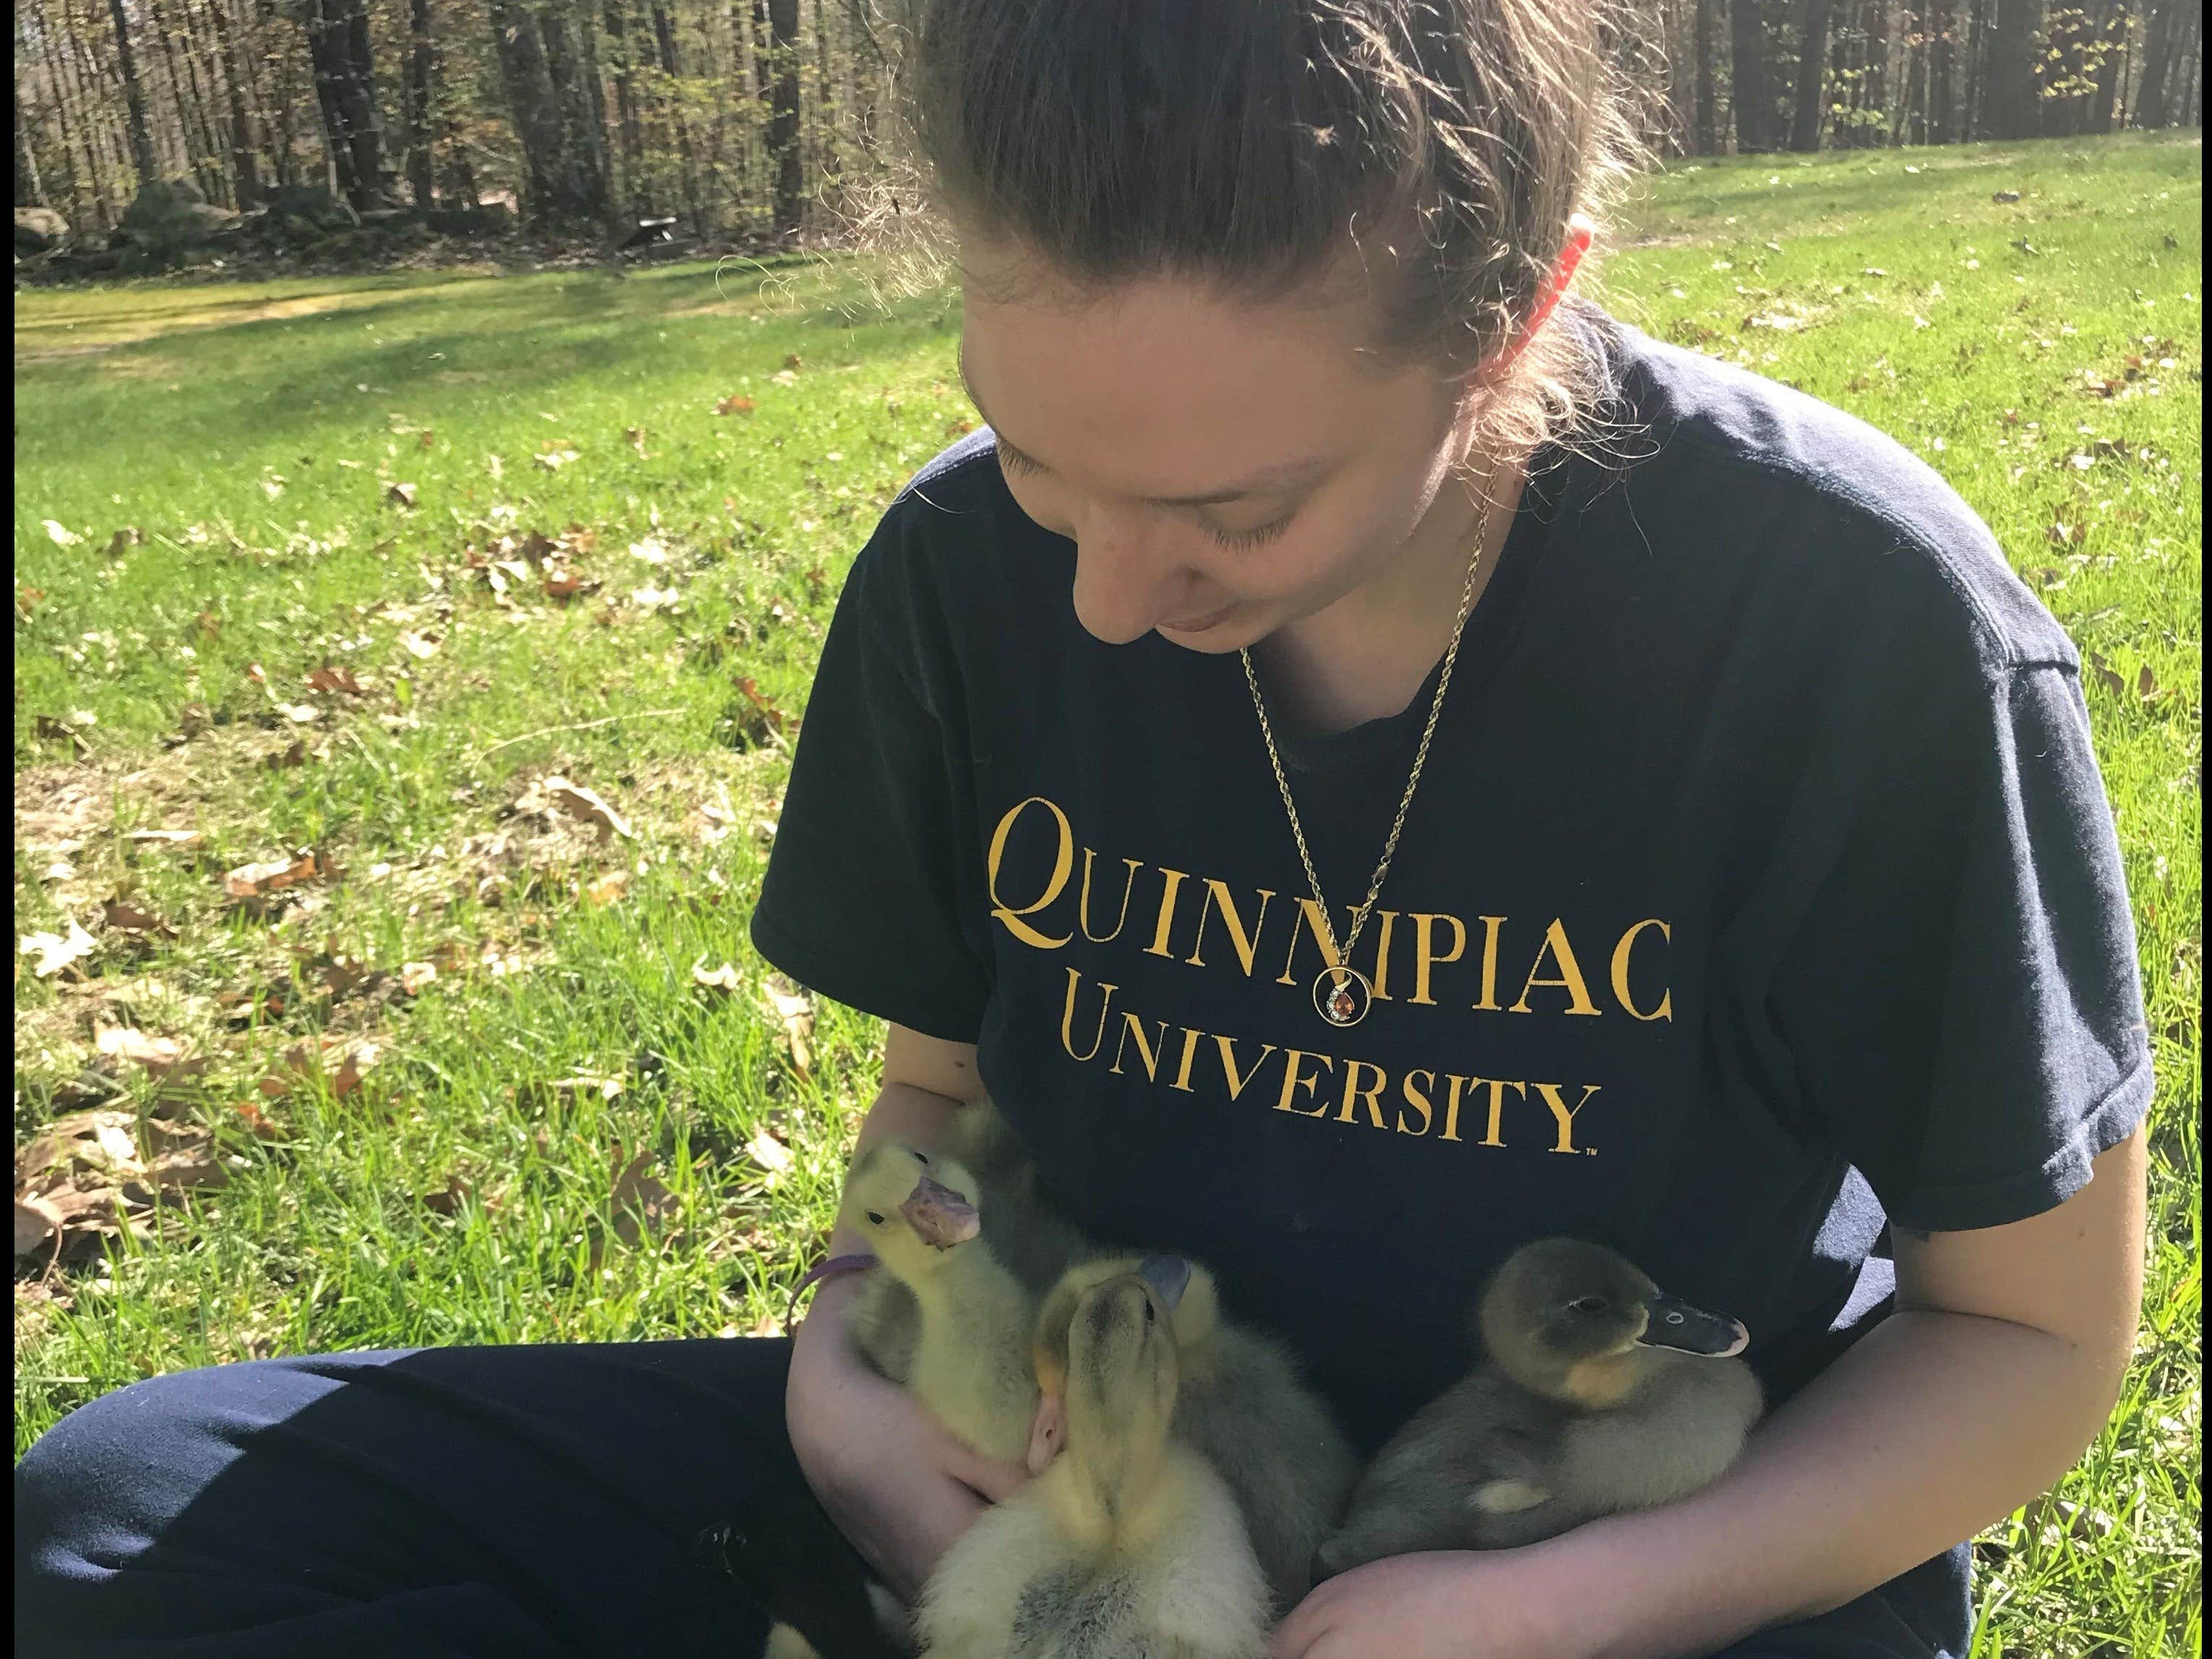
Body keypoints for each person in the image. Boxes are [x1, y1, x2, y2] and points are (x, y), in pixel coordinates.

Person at [14, 3, 2151, 1658]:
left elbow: (2029, 1339)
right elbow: (931, 1129)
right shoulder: (958, 576)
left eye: (1236, 509)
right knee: (129, 1510)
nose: (1109, 596)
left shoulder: (1856, 631)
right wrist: (848, 1390)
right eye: (1040, 458)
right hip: (1097, 1468)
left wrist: (1575, 1609)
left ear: (1516, 315)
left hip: (1600, 1530)